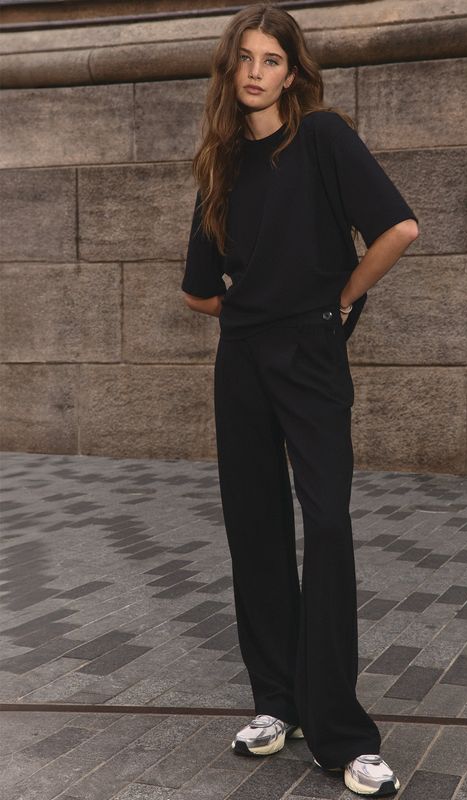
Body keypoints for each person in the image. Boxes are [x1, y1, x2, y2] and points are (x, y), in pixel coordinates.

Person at [181, 4, 418, 796]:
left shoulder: (322, 137)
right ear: (230, 68)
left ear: (292, 72)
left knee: (326, 524)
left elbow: (399, 228)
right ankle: (276, 703)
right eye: (245, 57)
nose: (255, 72)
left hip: (311, 356)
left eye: (272, 59)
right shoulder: (219, 164)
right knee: (254, 528)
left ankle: (344, 734)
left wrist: (337, 297)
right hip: (242, 363)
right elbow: (198, 291)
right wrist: (256, 308)